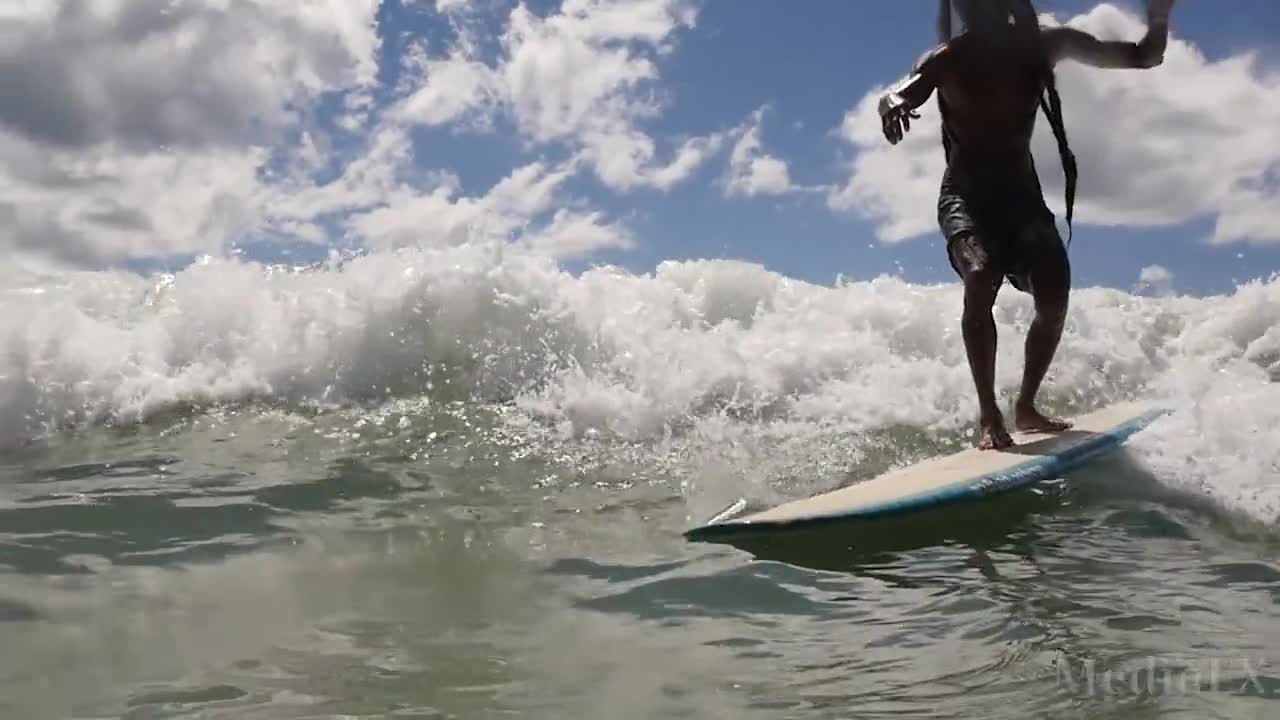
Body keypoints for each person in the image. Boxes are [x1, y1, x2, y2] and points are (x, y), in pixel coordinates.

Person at [877, 0, 1175, 449]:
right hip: (967, 200)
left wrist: (1159, 18)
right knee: (980, 275)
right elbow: (903, 88)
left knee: (1054, 292)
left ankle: (1026, 407)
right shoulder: (948, 60)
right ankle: (988, 415)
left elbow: (1143, 56)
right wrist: (893, 101)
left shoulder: (1045, 46)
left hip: (1022, 200)